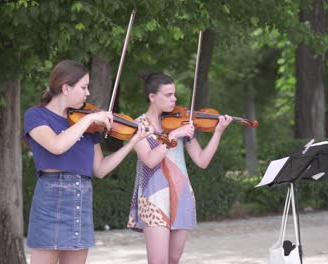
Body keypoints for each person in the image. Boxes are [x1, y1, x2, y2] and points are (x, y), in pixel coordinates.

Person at [24, 60, 151, 264]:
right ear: (66, 88)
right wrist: (89, 120)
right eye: (83, 87)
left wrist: (132, 143)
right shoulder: (36, 116)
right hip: (51, 198)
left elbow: (100, 169)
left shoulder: (88, 124)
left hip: (81, 196)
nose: (88, 93)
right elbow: (57, 145)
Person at [127, 72, 233, 263]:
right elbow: (150, 160)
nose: (174, 99)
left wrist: (218, 132)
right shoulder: (139, 125)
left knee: (173, 259)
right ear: (152, 97)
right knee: (158, 261)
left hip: (182, 192)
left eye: (174, 94)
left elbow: (202, 161)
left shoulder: (181, 122)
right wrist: (174, 135)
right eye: (168, 95)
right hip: (153, 198)